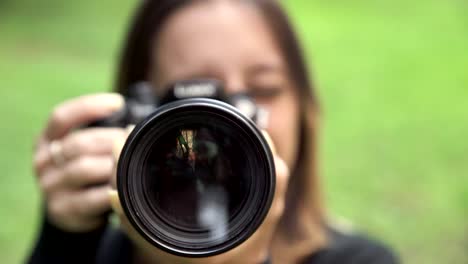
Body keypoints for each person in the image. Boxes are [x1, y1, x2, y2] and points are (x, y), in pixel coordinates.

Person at [29, 0, 399, 263]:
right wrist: (65, 241)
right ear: (136, 119)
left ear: (305, 109)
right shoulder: (97, 252)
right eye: (194, 100)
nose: (231, 122)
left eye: (264, 90)